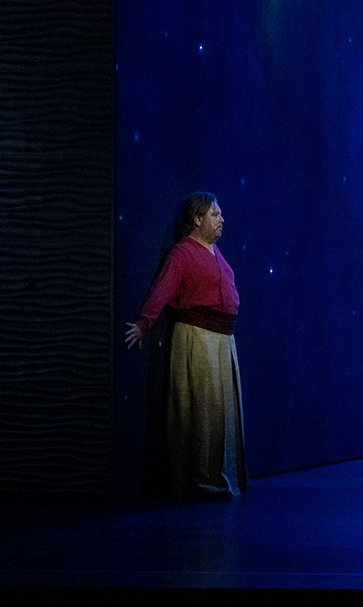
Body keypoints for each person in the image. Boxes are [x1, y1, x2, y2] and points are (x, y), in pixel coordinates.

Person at [126, 192, 247, 499]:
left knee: (221, 413)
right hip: (198, 338)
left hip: (222, 341)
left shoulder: (216, 252)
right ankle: (198, 480)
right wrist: (143, 323)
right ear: (196, 218)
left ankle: (221, 476)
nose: (222, 219)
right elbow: (162, 290)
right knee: (202, 412)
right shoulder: (182, 253)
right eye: (215, 214)